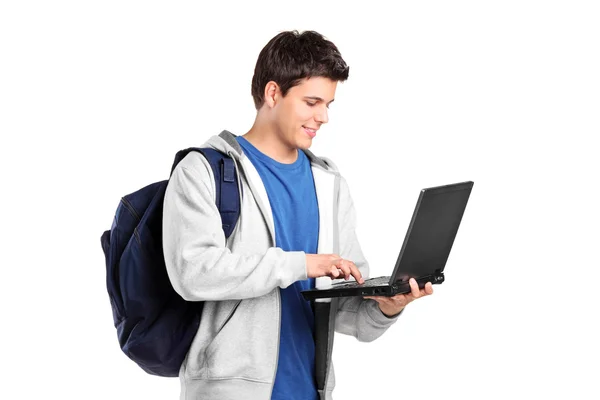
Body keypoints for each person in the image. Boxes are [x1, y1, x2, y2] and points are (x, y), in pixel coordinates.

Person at [162, 30, 434, 400]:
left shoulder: (329, 183)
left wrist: (385, 308)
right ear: (273, 93)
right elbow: (192, 273)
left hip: (311, 391)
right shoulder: (203, 170)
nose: (323, 117)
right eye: (311, 102)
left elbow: (343, 310)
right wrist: (301, 264)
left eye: (329, 104)